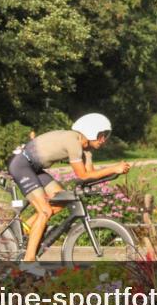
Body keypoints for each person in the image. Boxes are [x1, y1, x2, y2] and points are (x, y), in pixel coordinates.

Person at [7, 113, 130, 274]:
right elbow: (82, 175)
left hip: (34, 168)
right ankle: (28, 262)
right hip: (22, 165)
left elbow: (90, 174)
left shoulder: (85, 150)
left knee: (62, 198)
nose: (104, 140)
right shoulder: (73, 142)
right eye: (101, 135)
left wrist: (114, 172)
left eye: (105, 136)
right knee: (44, 211)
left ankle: (25, 228)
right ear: (90, 131)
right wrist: (113, 168)